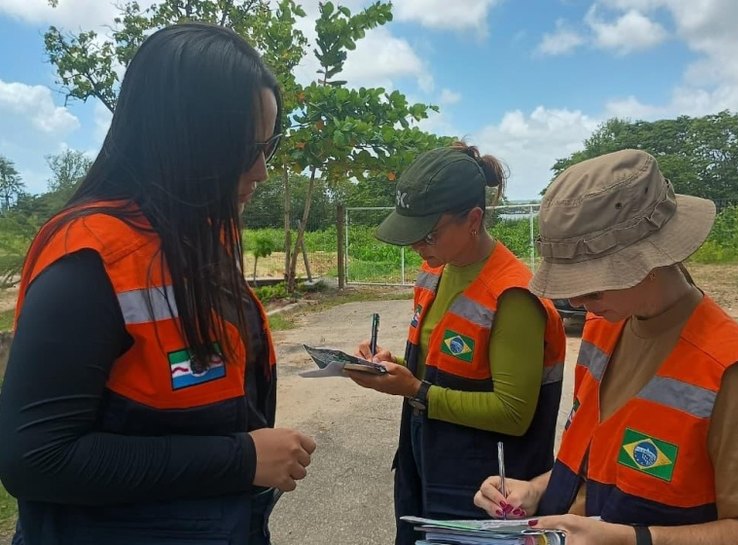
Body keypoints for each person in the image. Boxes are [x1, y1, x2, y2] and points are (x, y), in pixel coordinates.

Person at [0, 23, 316, 545]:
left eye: (270, 145)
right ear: (186, 141)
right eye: (245, 149)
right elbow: (37, 458)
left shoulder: (195, 240)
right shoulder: (90, 260)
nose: (261, 171)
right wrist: (243, 458)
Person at [473, 149, 738, 544]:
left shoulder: (729, 372)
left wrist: (633, 539)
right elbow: (601, 461)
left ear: (650, 261)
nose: (577, 302)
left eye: (590, 287)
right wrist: (538, 489)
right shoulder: (605, 326)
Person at [348, 142, 567, 545]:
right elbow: (439, 371)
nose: (417, 245)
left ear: (474, 220)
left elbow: (513, 412)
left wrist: (415, 390)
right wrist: (389, 365)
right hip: (426, 465)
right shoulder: (435, 272)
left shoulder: (513, 296)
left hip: (486, 491)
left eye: (428, 234)